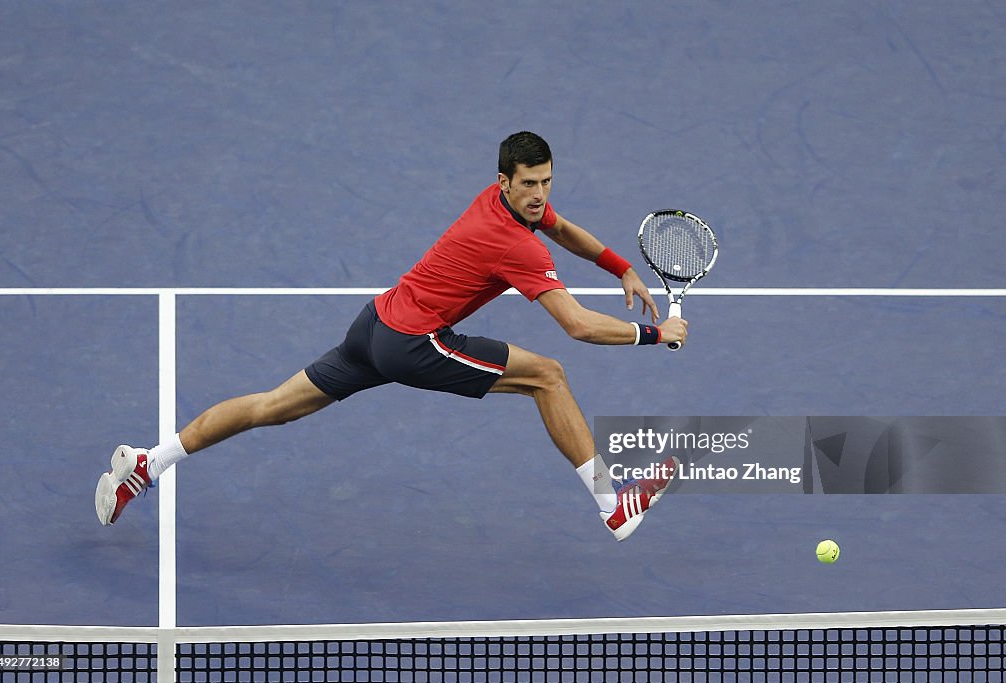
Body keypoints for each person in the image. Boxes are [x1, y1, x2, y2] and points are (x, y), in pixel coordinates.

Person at [95, 132, 687, 541]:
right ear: (503, 181)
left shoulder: (510, 208)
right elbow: (579, 324)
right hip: (413, 344)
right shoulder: (515, 242)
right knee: (549, 376)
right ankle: (613, 506)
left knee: (272, 406)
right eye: (530, 184)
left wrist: (621, 268)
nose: (541, 195)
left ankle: (149, 462)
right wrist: (656, 333)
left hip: (375, 324)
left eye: (548, 182)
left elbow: (562, 228)